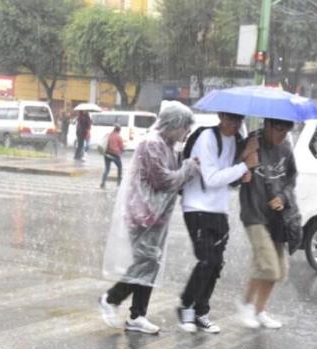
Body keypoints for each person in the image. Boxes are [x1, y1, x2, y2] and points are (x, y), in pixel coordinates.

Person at [98, 101, 200, 334]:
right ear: (174, 124)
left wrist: (185, 166)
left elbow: (174, 181)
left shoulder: (168, 145)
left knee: (151, 263)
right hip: (143, 214)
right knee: (146, 261)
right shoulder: (152, 144)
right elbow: (163, 181)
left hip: (157, 215)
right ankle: (112, 299)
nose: (186, 133)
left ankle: (137, 315)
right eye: (185, 128)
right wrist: (188, 168)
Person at [176, 112, 259, 334]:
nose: (234, 124)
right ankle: (185, 306)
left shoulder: (236, 140)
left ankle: (201, 311)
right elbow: (212, 179)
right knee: (206, 260)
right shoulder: (207, 139)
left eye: (239, 120)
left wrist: (245, 168)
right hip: (197, 207)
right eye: (230, 120)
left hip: (219, 209)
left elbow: (229, 178)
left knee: (216, 263)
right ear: (221, 117)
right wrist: (243, 167)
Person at [236, 118, 297, 330]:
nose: (283, 134)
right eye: (279, 129)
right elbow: (233, 175)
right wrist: (245, 157)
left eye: (287, 129)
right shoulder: (252, 143)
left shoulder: (286, 149)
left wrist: (283, 197)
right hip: (254, 214)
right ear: (268, 125)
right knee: (268, 266)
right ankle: (245, 306)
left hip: (276, 217)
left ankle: (259, 310)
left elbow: (291, 178)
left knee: (277, 269)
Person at [100, 124, 124, 189]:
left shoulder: (109, 135)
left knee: (107, 169)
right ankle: (119, 182)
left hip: (107, 154)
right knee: (119, 167)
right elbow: (121, 147)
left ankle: (103, 182)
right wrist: (121, 151)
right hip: (115, 155)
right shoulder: (119, 137)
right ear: (119, 130)